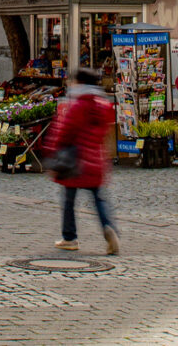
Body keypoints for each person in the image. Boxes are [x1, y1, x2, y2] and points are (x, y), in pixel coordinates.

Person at [36, 68, 118, 255]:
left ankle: (69, 238)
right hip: (96, 159)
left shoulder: (77, 105)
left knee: (68, 199)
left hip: (74, 161)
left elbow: (63, 131)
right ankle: (108, 226)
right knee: (98, 197)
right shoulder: (103, 104)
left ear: (80, 83)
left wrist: (50, 153)